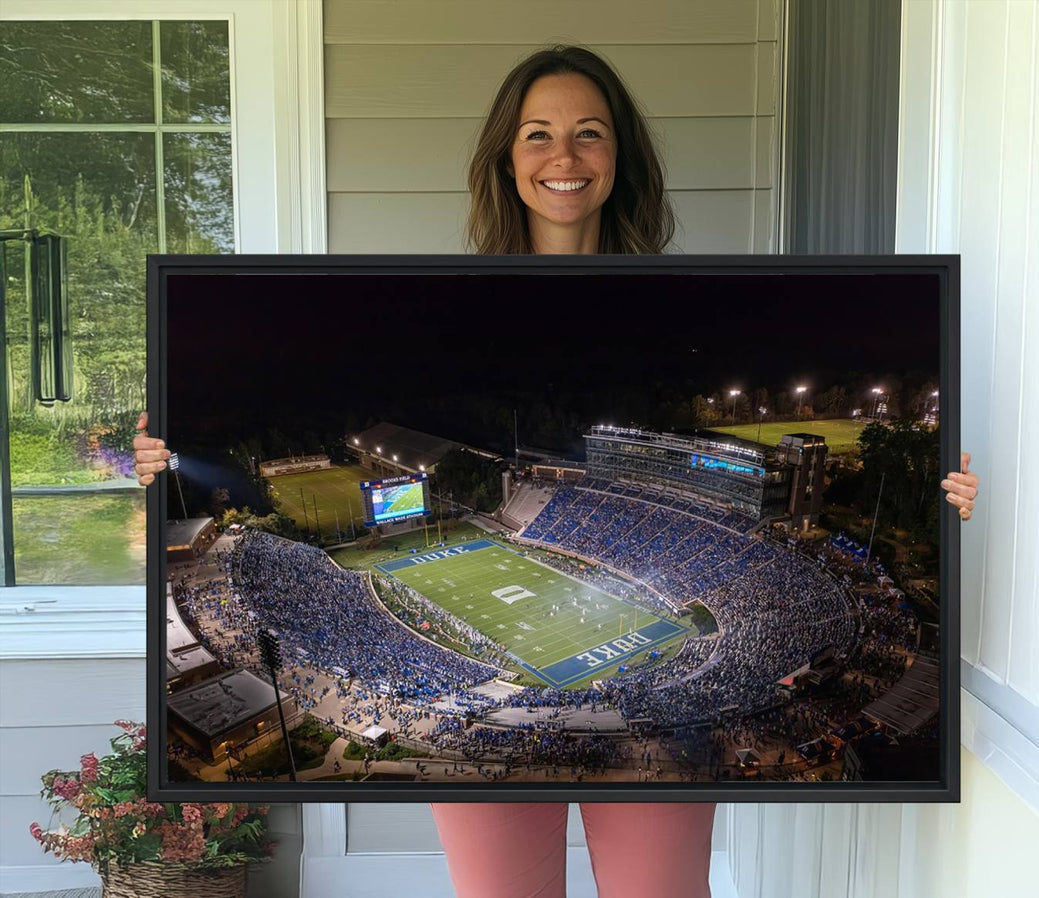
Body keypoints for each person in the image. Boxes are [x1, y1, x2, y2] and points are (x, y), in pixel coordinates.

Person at [134, 44, 980, 898]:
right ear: (506, 158)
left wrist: (946, 500)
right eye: (537, 134)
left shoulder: (676, 299)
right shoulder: (447, 306)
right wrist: (154, 469)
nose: (564, 157)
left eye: (590, 133)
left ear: (621, 158)